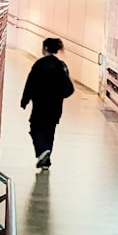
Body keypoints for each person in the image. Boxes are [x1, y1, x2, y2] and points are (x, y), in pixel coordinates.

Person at [20, 37, 74, 169]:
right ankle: (46, 161)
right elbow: (69, 88)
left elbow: (30, 84)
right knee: (50, 132)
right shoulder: (62, 66)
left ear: (45, 48)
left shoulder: (39, 65)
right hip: (55, 107)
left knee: (35, 128)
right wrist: (58, 96)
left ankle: (42, 151)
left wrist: (25, 100)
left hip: (40, 105)